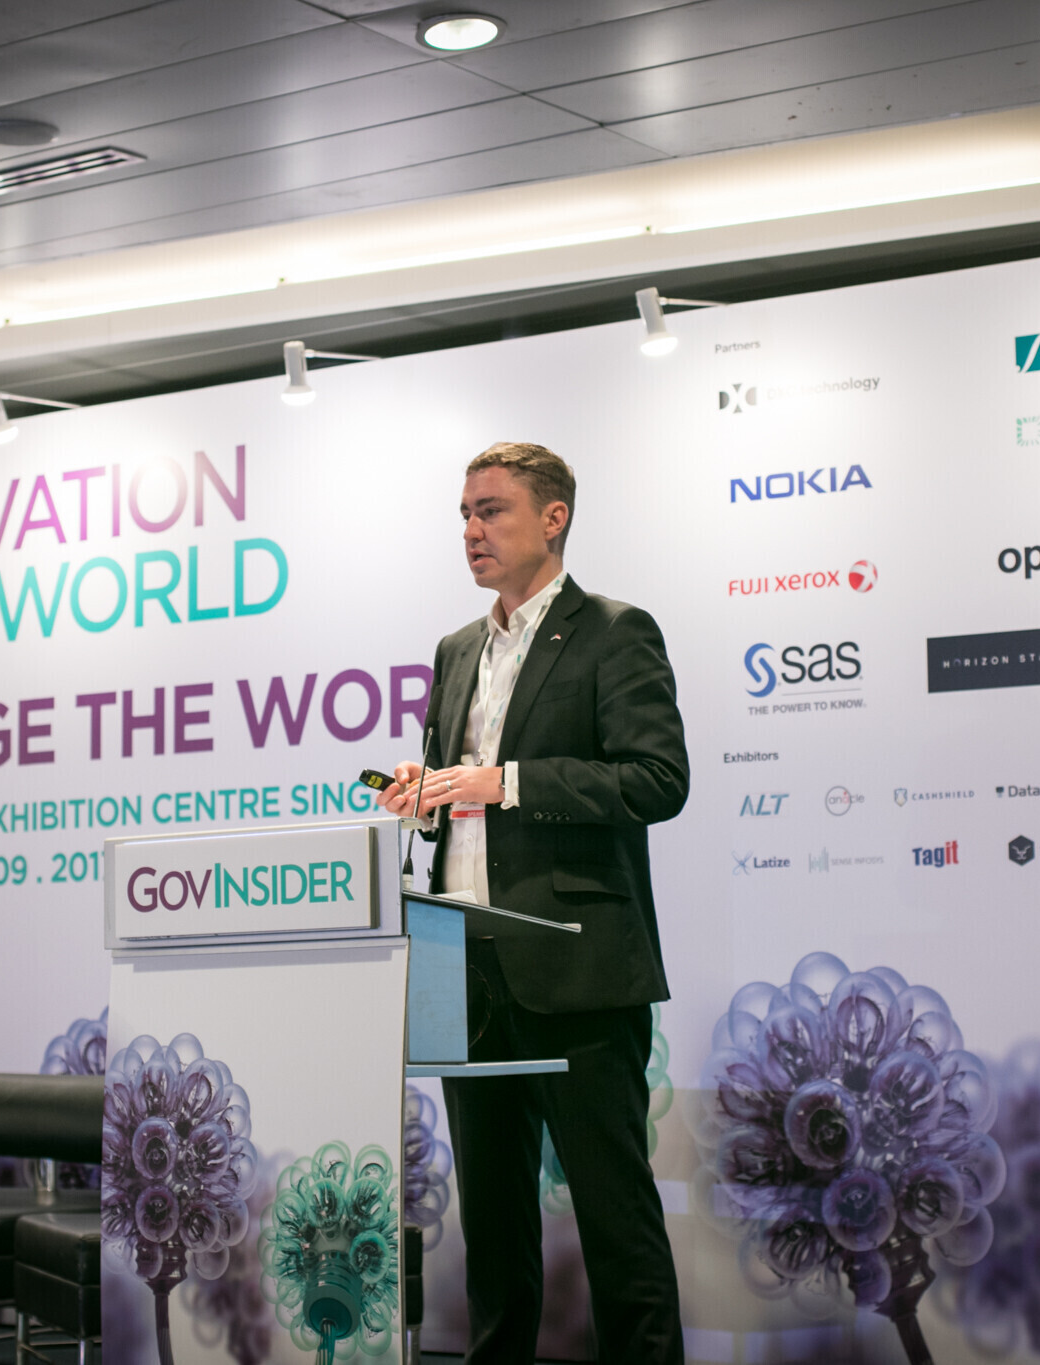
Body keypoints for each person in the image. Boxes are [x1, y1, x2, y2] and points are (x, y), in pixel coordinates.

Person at [377, 442, 689, 1363]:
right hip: (460, 965)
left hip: (576, 964)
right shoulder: (456, 650)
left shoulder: (615, 633)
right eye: (465, 514)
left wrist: (505, 780)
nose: (472, 531)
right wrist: (428, 790)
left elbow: (656, 780)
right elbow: (462, 788)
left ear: (554, 518)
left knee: (614, 1218)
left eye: (492, 510)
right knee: (493, 1226)